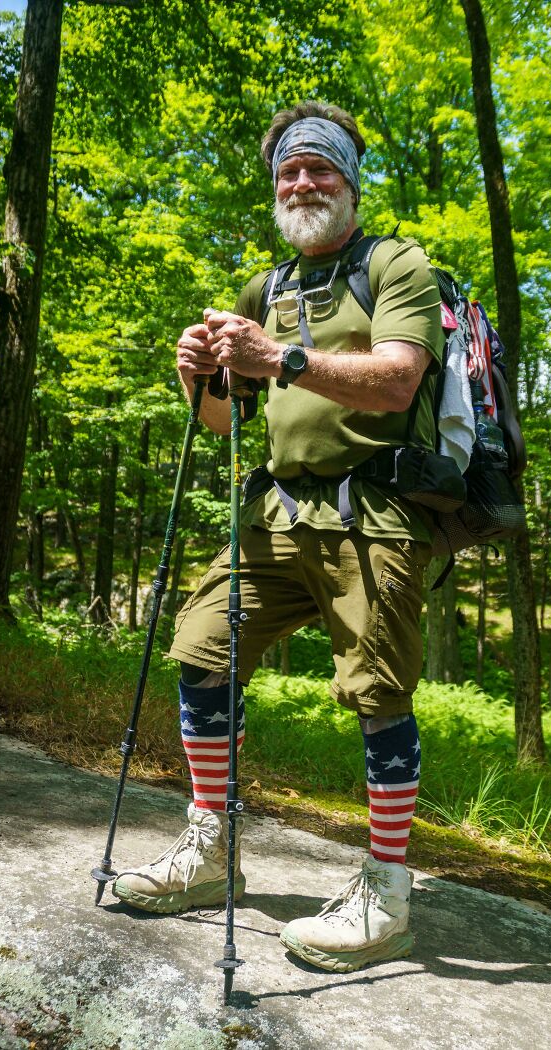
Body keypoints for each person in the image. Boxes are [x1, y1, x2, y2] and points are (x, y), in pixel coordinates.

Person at [112, 101, 444, 974]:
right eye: (289, 172)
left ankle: (387, 893)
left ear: (350, 180)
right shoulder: (270, 288)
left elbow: (399, 382)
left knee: (378, 693)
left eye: (320, 168)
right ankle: (211, 842)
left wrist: (284, 358)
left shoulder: (397, 265)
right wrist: (201, 378)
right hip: (274, 516)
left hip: (374, 515)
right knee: (201, 648)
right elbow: (225, 423)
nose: (303, 183)